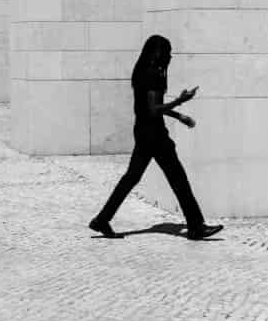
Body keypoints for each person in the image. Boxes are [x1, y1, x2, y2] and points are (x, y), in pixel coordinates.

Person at [89, 34, 223, 240]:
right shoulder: (154, 74)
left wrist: (178, 116)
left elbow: (148, 106)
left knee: (131, 178)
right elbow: (153, 109)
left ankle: (102, 220)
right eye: (168, 53)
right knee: (178, 178)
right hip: (154, 134)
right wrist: (180, 101)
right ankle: (196, 227)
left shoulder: (142, 71)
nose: (170, 57)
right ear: (159, 54)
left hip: (142, 130)